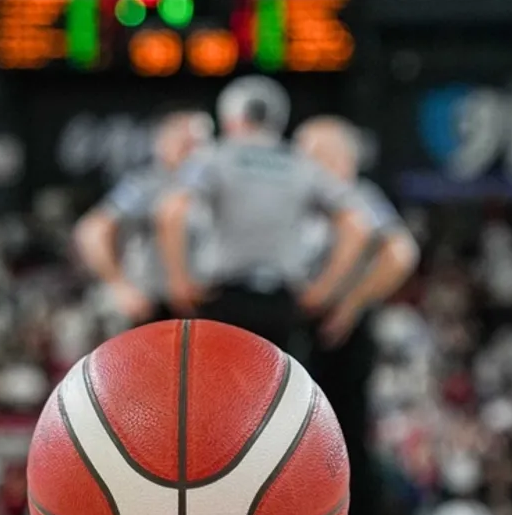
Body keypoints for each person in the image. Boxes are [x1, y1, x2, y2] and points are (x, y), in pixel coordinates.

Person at [155, 76, 373, 354]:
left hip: (223, 297)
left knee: (221, 390)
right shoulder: (301, 163)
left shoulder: (215, 157)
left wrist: (178, 279)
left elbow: (171, 211)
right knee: (280, 392)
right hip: (283, 302)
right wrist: (325, 287)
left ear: (231, 117)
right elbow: (357, 222)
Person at [294, 116, 420, 515]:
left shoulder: (357, 197)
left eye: (318, 154)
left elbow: (401, 254)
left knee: (344, 440)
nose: (307, 163)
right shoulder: (300, 200)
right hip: (300, 325)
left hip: (342, 334)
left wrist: (350, 303)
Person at [73, 108, 214, 326]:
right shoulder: (147, 185)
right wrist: (119, 286)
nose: (193, 151)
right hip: (151, 305)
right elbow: (93, 230)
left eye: (198, 143)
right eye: (184, 143)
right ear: (163, 144)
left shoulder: (211, 187)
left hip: (198, 304)